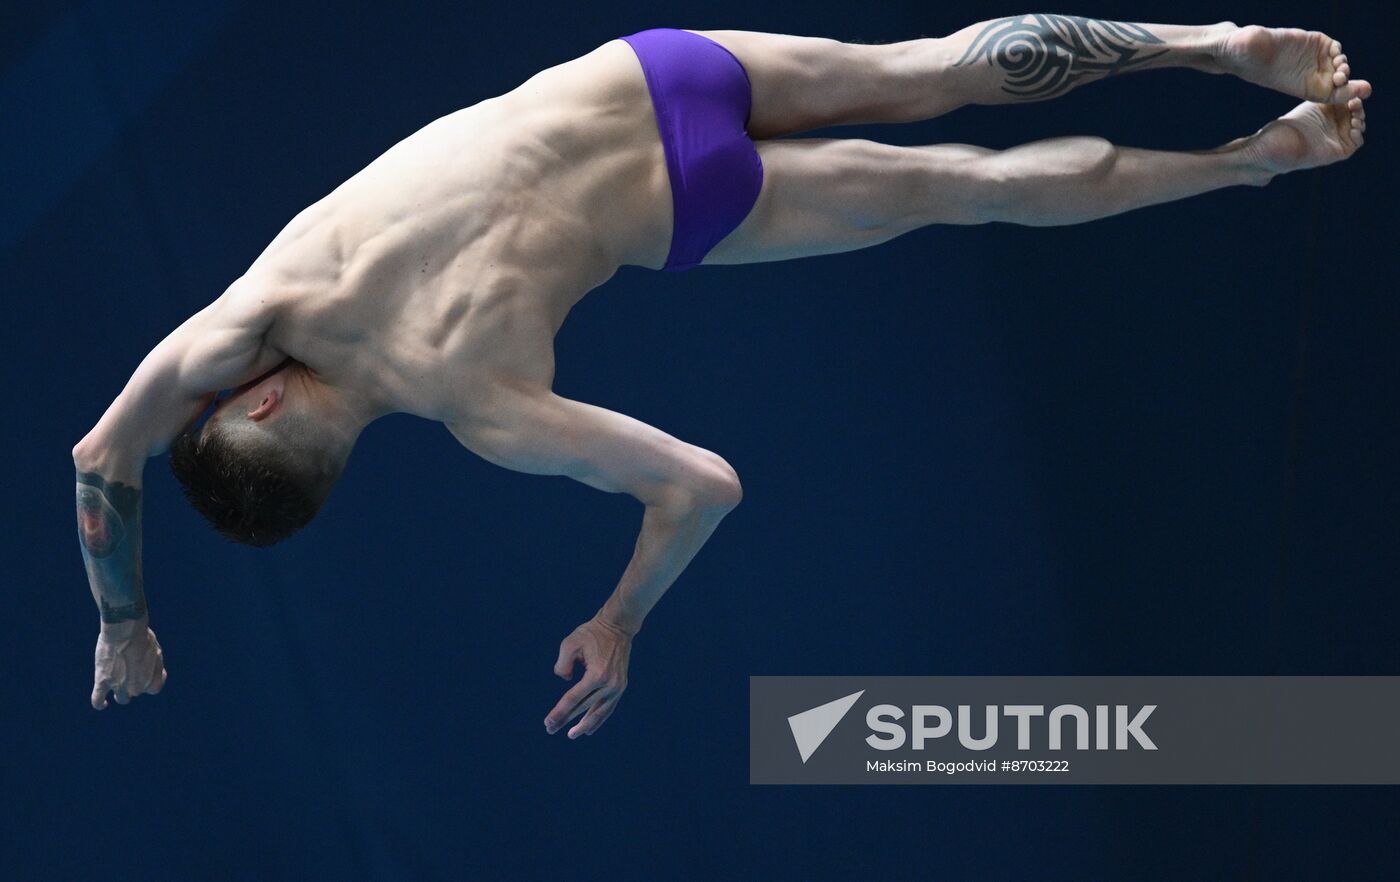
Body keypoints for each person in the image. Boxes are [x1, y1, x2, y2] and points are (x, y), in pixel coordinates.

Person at [73, 19, 1370, 736]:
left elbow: (703, 484)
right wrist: (118, 614)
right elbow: (99, 458)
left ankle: (1251, 159)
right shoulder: (273, 297)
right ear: (250, 398)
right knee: (927, 72)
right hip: (642, 74)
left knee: (967, 195)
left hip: (681, 200)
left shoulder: (479, 408)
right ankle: (1206, 43)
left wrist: (622, 616)